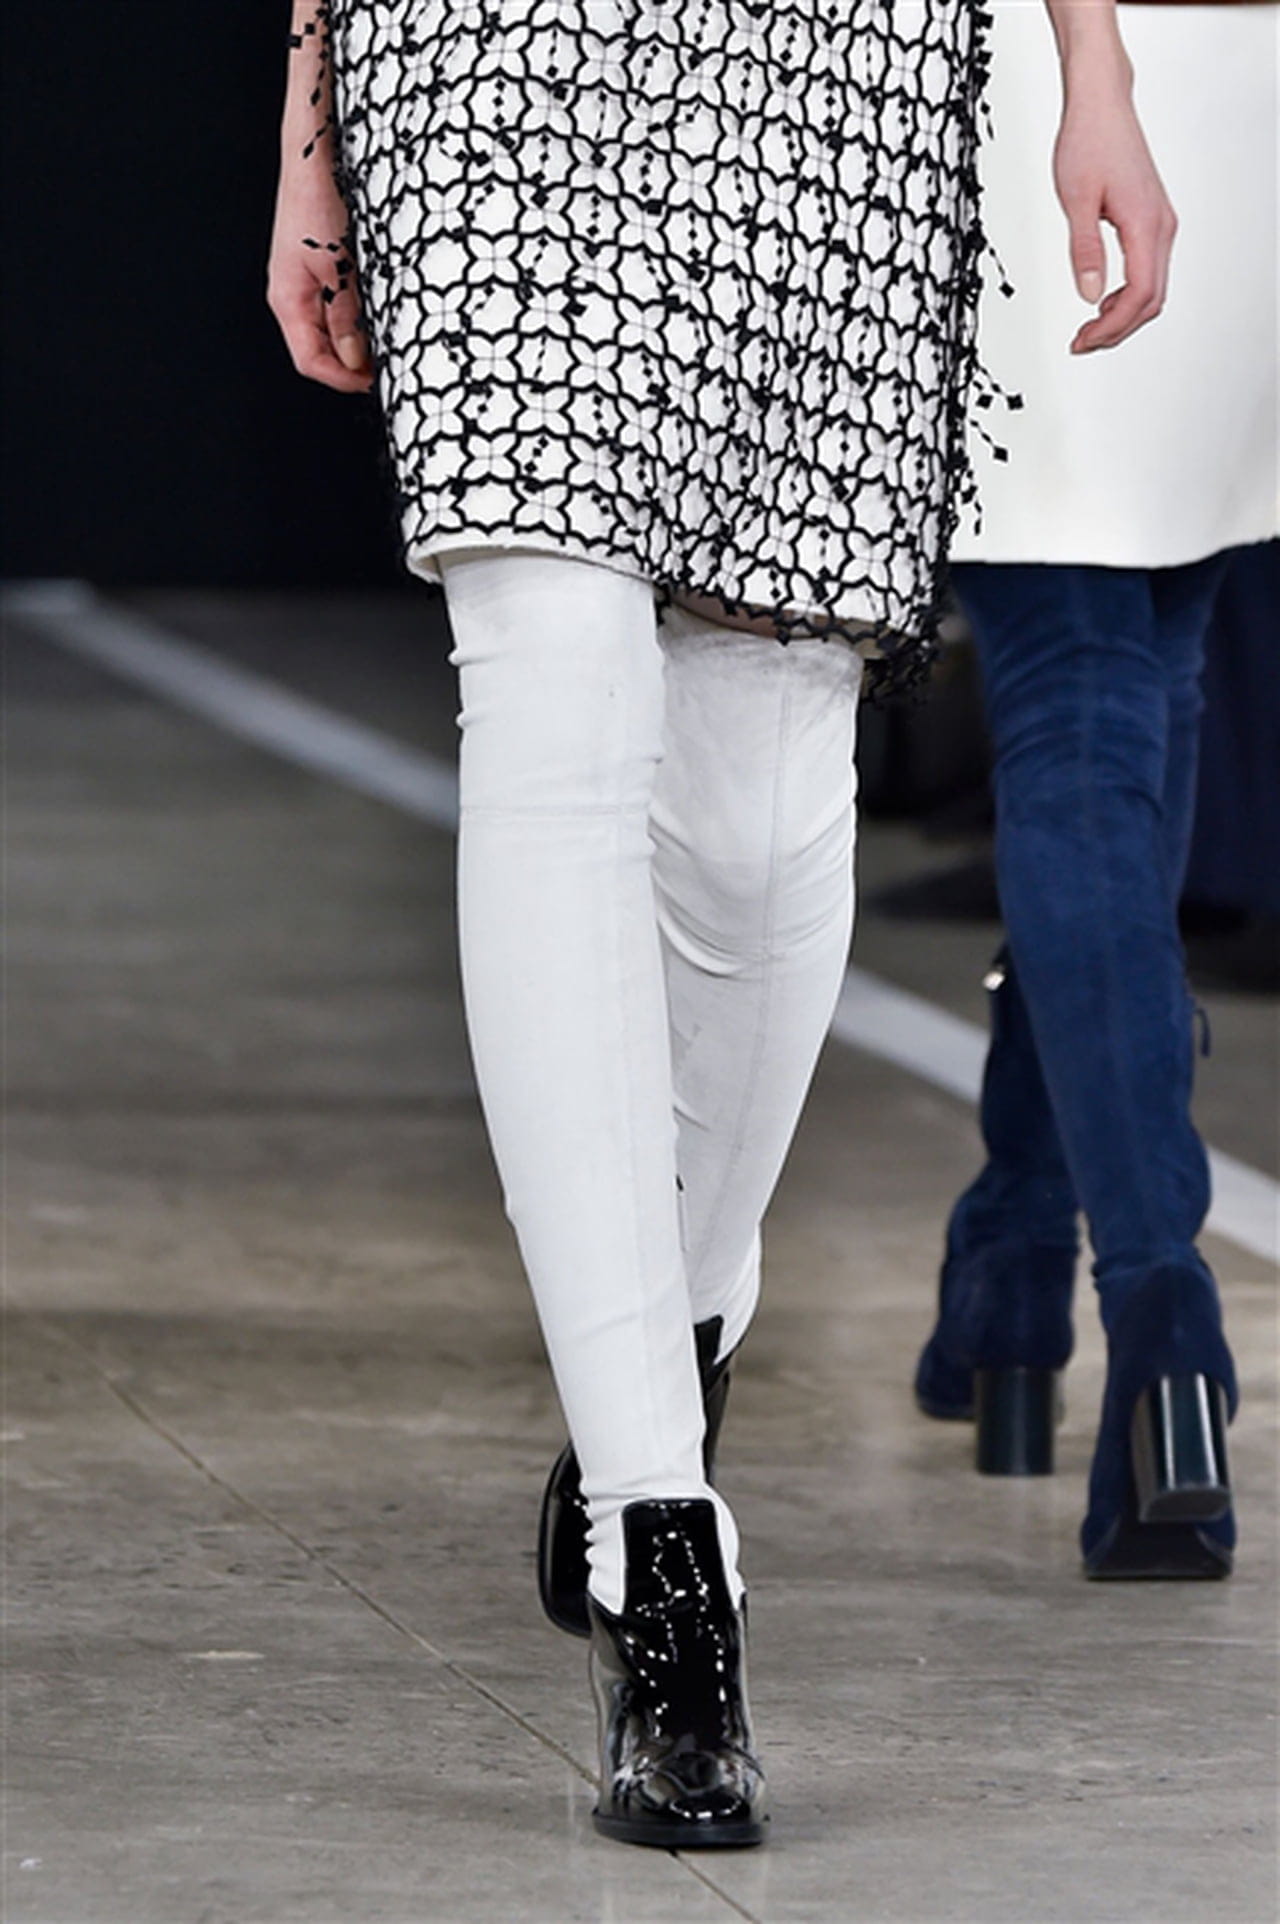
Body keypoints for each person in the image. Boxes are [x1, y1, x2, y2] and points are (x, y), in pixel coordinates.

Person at [270, 0, 1174, 1847]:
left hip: (839, 56)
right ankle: (661, 1547)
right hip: (491, 55)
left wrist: (1098, 64)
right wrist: (310, 113)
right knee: (554, 698)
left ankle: (662, 1336)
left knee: (761, 832)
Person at [915, 1, 1276, 1578]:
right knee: (1144, 671)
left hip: (1066, 76)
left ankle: (1156, 1313)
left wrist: (1094, 72)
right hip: (1226, 87)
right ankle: (1015, 1246)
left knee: (1087, 689)